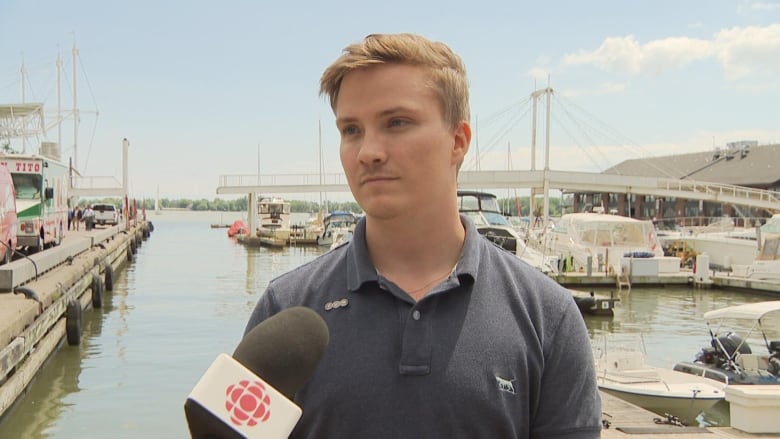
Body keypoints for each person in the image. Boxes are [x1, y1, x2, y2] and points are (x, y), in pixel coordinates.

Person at [245, 33, 602, 438]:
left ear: (458, 141)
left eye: (396, 123)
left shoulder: (547, 319)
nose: (368, 152)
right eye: (351, 130)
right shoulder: (286, 310)